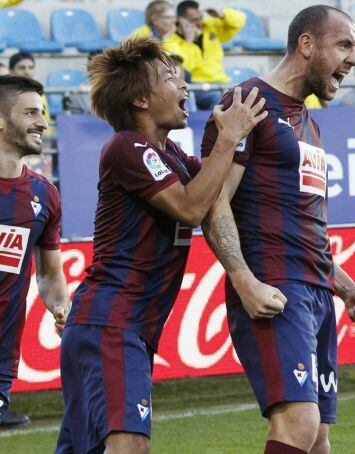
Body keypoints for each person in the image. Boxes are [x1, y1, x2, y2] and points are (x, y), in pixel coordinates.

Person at [55, 35, 266, 454]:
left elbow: (215, 194)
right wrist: (226, 140)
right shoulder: (127, 147)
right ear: (140, 99)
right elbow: (191, 208)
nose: (184, 86)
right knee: (130, 445)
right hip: (112, 323)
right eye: (171, 77)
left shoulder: (169, 154)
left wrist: (239, 141)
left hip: (119, 327)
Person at [200, 5, 355, 454]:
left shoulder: (310, 123)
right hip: (274, 288)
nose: (354, 59)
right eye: (344, 45)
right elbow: (213, 201)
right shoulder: (247, 103)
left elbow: (304, 227)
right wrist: (244, 281)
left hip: (315, 293)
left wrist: (346, 288)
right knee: (298, 424)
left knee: (317, 437)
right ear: (307, 44)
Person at [0, 76, 69, 429]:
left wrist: (60, 306)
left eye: (42, 113)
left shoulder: (44, 195)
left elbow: (48, 273)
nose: (42, 122)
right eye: (30, 113)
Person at [172, 1, 246, 110]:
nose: (199, 23)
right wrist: (189, 42)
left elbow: (240, 21)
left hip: (221, 83)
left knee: (249, 94)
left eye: (200, 17)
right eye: (194, 20)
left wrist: (222, 15)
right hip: (195, 86)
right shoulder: (172, 40)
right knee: (217, 98)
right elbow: (184, 71)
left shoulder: (209, 26)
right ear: (180, 20)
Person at [8, 52, 50, 122]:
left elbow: (46, 121)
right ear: (11, 71)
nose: (27, 72)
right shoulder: (5, 94)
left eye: (31, 67)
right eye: (22, 68)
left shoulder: (39, 93)